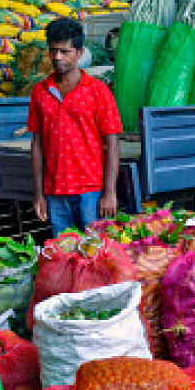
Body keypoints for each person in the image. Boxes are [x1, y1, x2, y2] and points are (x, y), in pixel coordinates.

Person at [28, 17, 122, 235]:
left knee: (95, 251)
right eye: (53, 51)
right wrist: (39, 194)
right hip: (54, 192)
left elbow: (112, 142)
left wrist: (110, 193)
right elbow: (37, 145)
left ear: (79, 53)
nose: (57, 57)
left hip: (91, 191)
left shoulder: (98, 91)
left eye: (65, 52)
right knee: (62, 251)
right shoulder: (40, 91)